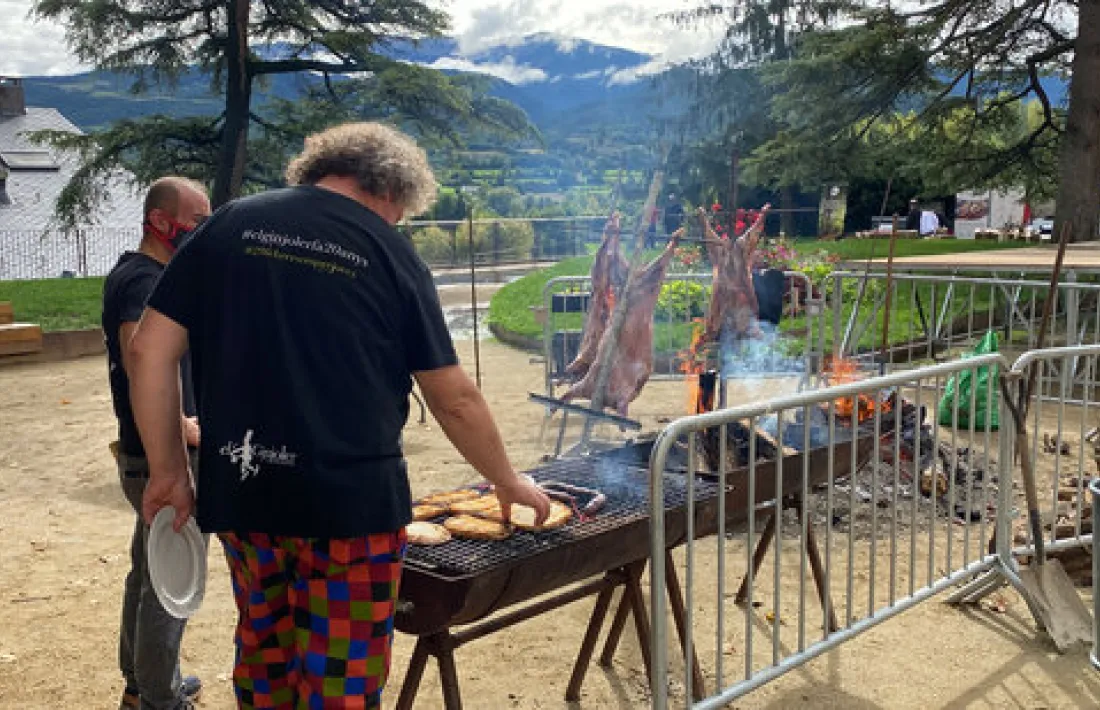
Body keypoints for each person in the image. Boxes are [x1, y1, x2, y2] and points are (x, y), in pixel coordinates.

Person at [128, 122, 552, 709]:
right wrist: (506, 479)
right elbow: (451, 397)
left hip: (246, 494)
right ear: (389, 190)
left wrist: (169, 471)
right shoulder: (388, 249)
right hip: (352, 510)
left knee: (266, 663)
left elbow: (148, 350)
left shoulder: (226, 225)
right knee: (342, 687)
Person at [102, 176, 211, 710]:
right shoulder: (146, 283)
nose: (201, 231)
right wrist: (182, 425)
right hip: (160, 457)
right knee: (170, 585)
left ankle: (140, 683)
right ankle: (160, 700)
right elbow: (140, 356)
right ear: (162, 220)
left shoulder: (138, 272)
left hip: (143, 453)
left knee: (147, 570)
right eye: (196, 220)